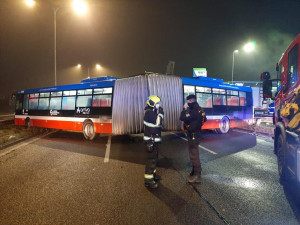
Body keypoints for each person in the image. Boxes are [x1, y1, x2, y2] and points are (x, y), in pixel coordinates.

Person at [180, 94, 206, 183]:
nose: (187, 103)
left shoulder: (193, 111)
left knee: (194, 155)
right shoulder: (200, 109)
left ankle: (197, 175)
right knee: (194, 154)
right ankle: (194, 171)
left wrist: (184, 109)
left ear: (191, 101)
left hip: (193, 136)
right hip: (197, 134)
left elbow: (182, 118)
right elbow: (204, 119)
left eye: (188, 102)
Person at [143, 95, 164, 189]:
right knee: (150, 161)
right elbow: (158, 122)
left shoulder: (151, 111)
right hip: (150, 142)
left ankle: (153, 176)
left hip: (153, 141)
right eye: (157, 103)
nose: (158, 105)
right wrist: (161, 113)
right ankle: (148, 181)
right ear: (152, 104)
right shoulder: (149, 113)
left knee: (154, 160)